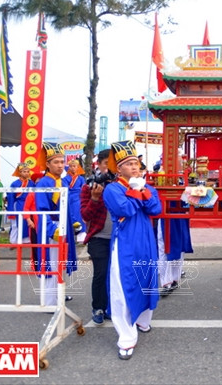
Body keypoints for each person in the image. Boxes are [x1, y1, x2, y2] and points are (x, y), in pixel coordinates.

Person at [102, 140, 162, 360]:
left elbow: (156, 208)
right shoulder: (112, 189)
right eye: (128, 164)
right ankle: (126, 336)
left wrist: (143, 192)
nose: (135, 167)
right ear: (118, 168)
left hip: (146, 240)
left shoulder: (146, 186)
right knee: (123, 285)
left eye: (136, 163)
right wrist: (138, 193)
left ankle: (143, 319)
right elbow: (124, 208)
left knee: (146, 279)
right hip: (126, 242)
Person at [34, 143, 78, 306]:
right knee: (51, 264)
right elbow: (42, 210)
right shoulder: (44, 183)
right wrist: (52, 230)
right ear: (47, 164)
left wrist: (73, 221)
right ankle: (49, 301)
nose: (60, 165)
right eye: (56, 162)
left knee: (61, 261)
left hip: (63, 225)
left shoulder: (63, 182)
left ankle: (59, 295)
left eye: (62, 161)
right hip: (51, 227)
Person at [80, 149, 113, 325]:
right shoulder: (88, 187)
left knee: (116, 274)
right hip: (98, 237)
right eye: (106, 163)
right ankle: (98, 307)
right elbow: (85, 215)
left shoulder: (121, 185)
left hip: (119, 238)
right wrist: (94, 198)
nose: (109, 168)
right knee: (100, 273)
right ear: (99, 164)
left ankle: (112, 308)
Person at [6, 163, 32, 245]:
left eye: (28, 171)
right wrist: (10, 210)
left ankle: (26, 240)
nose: (26, 173)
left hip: (28, 205)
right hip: (18, 204)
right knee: (15, 223)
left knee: (27, 223)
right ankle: (13, 241)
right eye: (24, 171)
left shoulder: (31, 183)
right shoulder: (14, 184)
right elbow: (10, 197)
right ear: (20, 172)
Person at [63, 159, 87, 244]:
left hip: (79, 198)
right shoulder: (65, 179)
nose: (73, 168)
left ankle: (81, 235)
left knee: (80, 215)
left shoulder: (81, 178)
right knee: (70, 215)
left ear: (78, 167)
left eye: (74, 166)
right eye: (71, 166)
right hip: (69, 197)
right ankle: (71, 235)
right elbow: (65, 188)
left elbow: (84, 188)